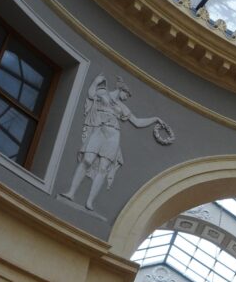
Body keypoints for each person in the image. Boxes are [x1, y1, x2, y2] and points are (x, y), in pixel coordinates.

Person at [63, 74, 166, 210]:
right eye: (126, 94)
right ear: (121, 89)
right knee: (87, 160)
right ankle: (71, 192)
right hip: (99, 131)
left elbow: (137, 122)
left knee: (103, 168)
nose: (127, 97)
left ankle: (89, 201)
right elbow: (90, 93)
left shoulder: (122, 107)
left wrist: (155, 119)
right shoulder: (103, 92)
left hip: (113, 135)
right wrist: (95, 81)